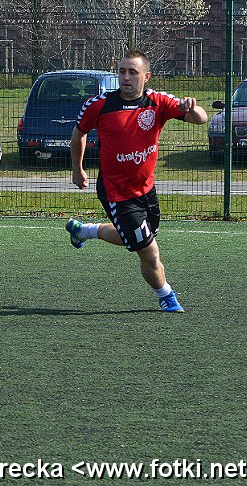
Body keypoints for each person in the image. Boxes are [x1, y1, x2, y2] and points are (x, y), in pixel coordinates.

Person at [65, 50, 207, 313]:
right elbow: (78, 134)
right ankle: (166, 295)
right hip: (116, 193)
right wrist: (78, 169)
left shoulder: (157, 102)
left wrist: (192, 107)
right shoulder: (99, 105)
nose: (126, 77)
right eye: (122, 71)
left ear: (146, 76)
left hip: (146, 189)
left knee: (134, 238)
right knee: (149, 251)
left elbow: (200, 119)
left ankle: (84, 231)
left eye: (133, 72)